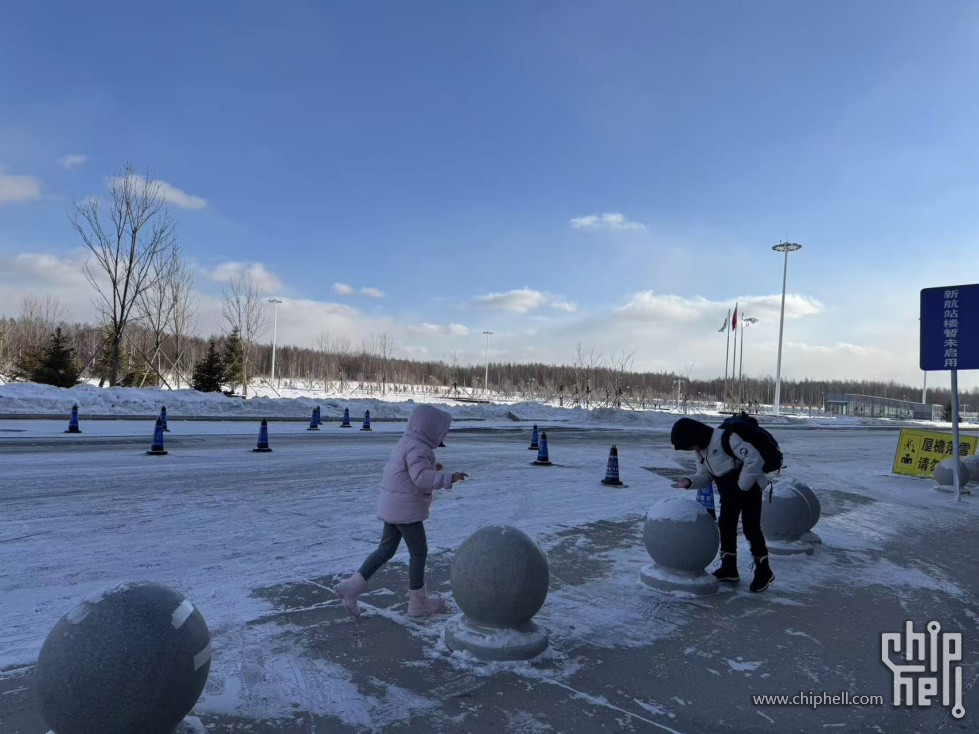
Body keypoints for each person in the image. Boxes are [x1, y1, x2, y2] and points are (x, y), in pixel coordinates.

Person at [336, 405, 467, 618]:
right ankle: (418, 602)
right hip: (405, 510)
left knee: (385, 550)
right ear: (428, 429)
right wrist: (448, 478)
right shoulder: (418, 448)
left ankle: (351, 587)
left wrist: (433, 470)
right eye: (441, 431)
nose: (443, 436)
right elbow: (421, 479)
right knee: (419, 552)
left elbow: (412, 472)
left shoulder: (408, 443)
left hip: (394, 506)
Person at [669, 417, 774, 592]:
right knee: (725, 526)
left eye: (690, 446)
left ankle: (764, 570)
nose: (692, 450)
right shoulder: (701, 450)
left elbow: (754, 459)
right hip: (729, 492)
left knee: (751, 528)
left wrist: (742, 486)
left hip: (749, 488)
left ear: (696, 436)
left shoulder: (727, 437)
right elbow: (705, 475)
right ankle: (729, 567)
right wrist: (689, 481)